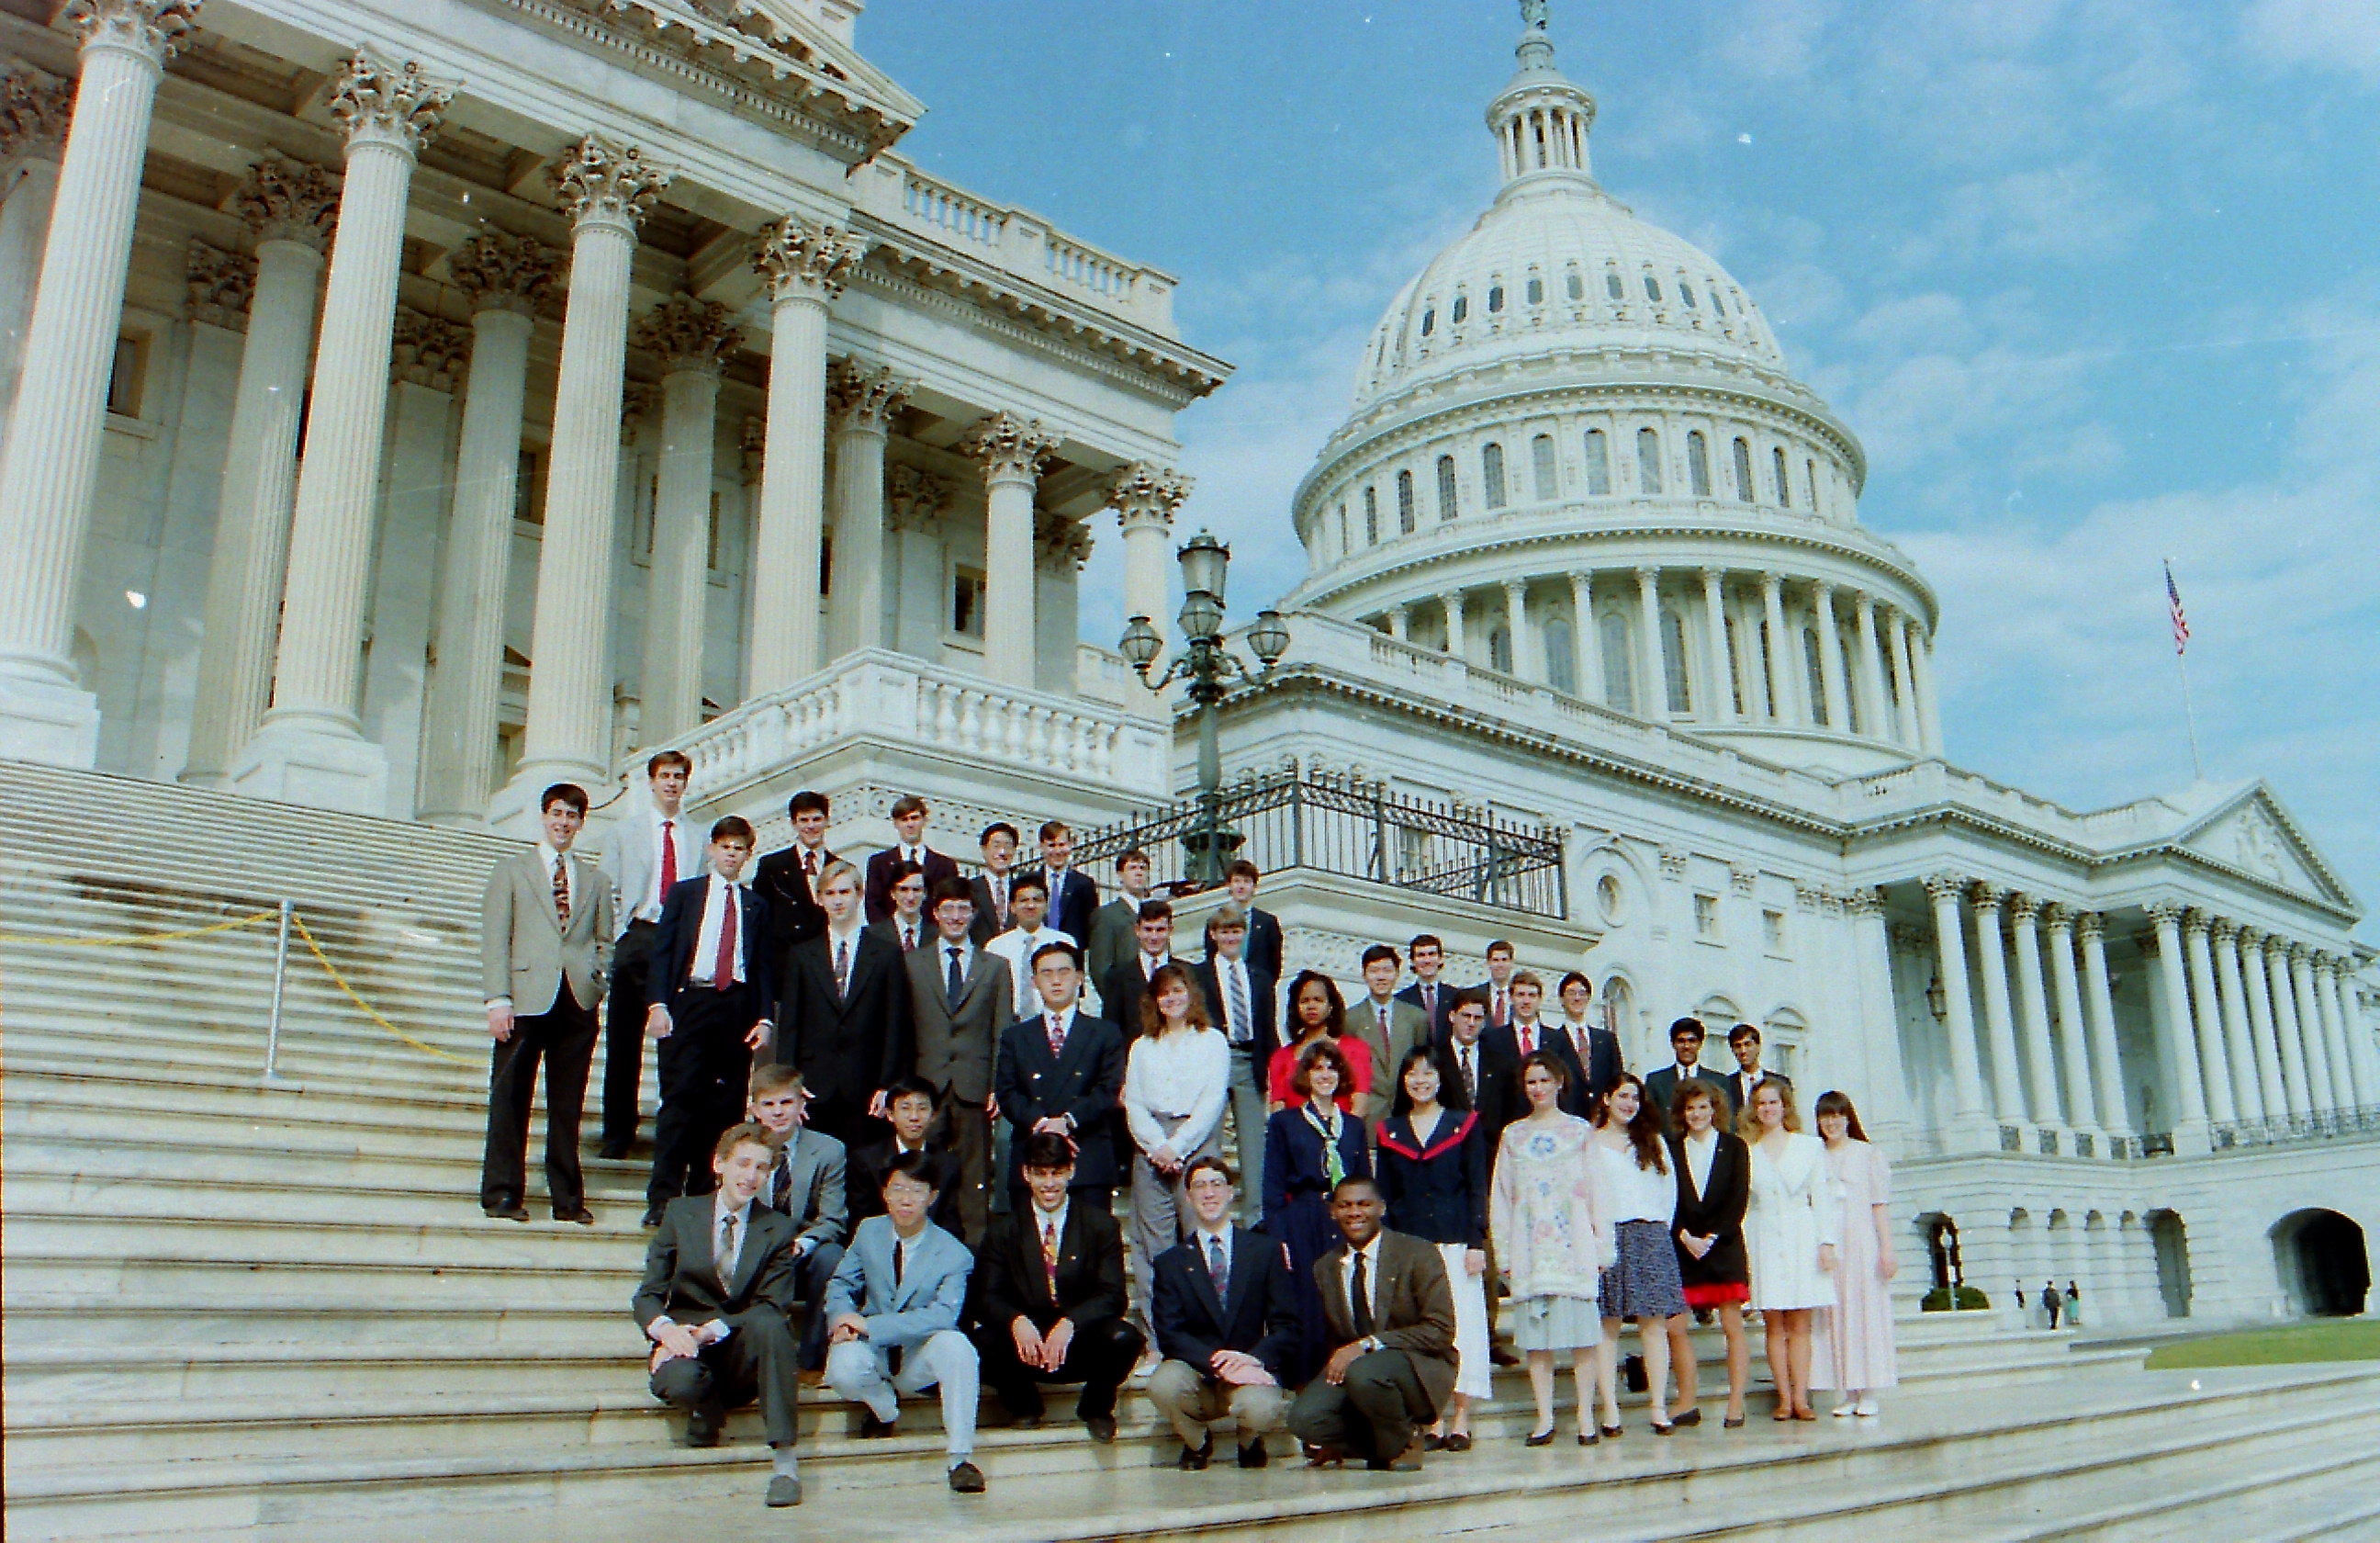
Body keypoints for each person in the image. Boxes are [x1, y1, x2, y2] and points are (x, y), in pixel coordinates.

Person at [633, 1122, 807, 1507]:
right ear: (719, 1164)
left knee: (773, 1324)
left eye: (761, 1167)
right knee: (680, 1381)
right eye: (743, 1164)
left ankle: (784, 1462)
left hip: (740, 1347)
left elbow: (772, 1304)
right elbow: (648, 1294)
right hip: (685, 1346)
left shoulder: (778, 1229)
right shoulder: (681, 1213)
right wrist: (666, 1332)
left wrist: (709, 1331)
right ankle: (706, 1413)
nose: (751, 1176)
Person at [479, 783, 614, 1223]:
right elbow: (496, 939)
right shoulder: (512, 871)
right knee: (510, 1098)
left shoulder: (595, 880)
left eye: (572, 815)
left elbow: (605, 939)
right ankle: (502, 1192)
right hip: (524, 999)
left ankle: (567, 1198)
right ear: (544, 817)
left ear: (581, 823)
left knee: (567, 1104)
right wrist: (498, 999)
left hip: (576, 1000)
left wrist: (596, 981)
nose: (563, 822)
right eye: (557, 813)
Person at [824, 1151, 985, 1492]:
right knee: (841, 1369)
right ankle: (885, 1411)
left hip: (917, 1352)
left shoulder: (954, 1253)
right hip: (874, 1350)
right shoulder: (869, 1231)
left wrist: (872, 1326)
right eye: (898, 1189)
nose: (906, 1200)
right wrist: (842, 1318)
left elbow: (943, 1316)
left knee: (958, 1347)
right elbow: (841, 1283)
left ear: (932, 1196)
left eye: (916, 1191)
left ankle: (960, 1458)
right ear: (885, 1193)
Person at [642, 817, 776, 1226]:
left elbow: (763, 965)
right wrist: (658, 1004)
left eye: (739, 848)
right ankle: (663, 1198)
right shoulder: (686, 893)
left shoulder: (756, 905)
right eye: (725, 846)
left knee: (724, 1107)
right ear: (712, 850)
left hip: (736, 1007)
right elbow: (664, 951)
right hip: (692, 1000)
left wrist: (764, 1018)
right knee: (680, 1100)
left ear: (748, 855)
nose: (731, 854)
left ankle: (705, 1196)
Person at [970, 1132, 1144, 1440]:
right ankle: (1024, 1406)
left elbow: (1113, 1295)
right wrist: (1016, 1321)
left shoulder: (1100, 1225)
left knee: (1125, 1338)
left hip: (1078, 1341)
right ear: (1026, 1174)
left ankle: (1096, 1408)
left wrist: (1071, 1323)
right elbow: (985, 1297)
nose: (1049, 1184)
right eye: (1040, 1174)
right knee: (980, 1342)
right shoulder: (1003, 1230)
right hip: (1026, 1346)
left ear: (1071, 1171)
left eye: (1057, 1173)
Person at [1284, 1177, 1456, 1472]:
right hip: (1360, 1371)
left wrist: (1368, 1345)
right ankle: (1382, 1444)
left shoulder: (1417, 1253)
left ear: (1381, 1208)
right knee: (1304, 1420)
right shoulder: (1325, 1266)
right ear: (1332, 1212)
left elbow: (1440, 1330)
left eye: (1364, 1204)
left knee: (1364, 1372)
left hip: (1417, 1365)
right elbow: (1335, 1336)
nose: (1354, 1212)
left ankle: (1405, 1441)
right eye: (1345, 1205)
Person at [1146, 1156, 1299, 1470]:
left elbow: (1287, 1325)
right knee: (1162, 1384)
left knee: (1261, 1407)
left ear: (1231, 1192)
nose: (1209, 1193)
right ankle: (1197, 1443)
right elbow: (1170, 1333)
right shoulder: (1171, 1262)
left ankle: (1249, 1440)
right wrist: (1220, 1363)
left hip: (1248, 1369)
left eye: (1216, 1184)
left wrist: (1252, 1360)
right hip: (1199, 1372)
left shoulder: (1264, 1251)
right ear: (1188, 1197)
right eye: (1199, 1186)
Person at [1490, 1050, 1611, 1446]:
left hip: (1573, 1246)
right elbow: (1501, 1197)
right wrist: (1504, 1252)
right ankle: (1544, 1417)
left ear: (1559, 1082)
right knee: (1536, 1342)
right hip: (1530, 1248)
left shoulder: (1580, 1132)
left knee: (1582, 1338)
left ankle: (1585, 1415)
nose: (1538, 1088)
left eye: (1544, 1080)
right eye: (1531, 1082)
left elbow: (1598, 1192)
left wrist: (1602, 1245)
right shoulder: (1513, 1136)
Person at [1374, 1047, 1490, 1450]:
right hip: (1410, 1248)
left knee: (1464, 1330)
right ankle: (1432, 1419)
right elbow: (1386, 1196)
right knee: (1421, 1332)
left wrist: (1477, 1241)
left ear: (1441, 1079)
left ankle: (1461, 1419)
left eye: (1428, 1073)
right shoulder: (1390, 1131)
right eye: (1412, 1074)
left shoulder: (1464, 1124)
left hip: (1456, 1243)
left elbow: (1476, 1186)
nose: (1420, 1081)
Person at [601, 749, 704, 1157]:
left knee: (675, 1041)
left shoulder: (698, 836)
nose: (671, 783)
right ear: (652, 781)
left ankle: (672, 1133)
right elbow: (608, 888)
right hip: (638, 934)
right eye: (665, 776)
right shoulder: (624, 831)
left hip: (678, 942)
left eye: (678, 776)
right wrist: (618, 936)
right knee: (623, 1040)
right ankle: (617, 1132)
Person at [1122, 962, 1229, 1341]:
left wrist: (1178, 1146)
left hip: (1197, 1142)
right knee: (1153, 1248)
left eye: (1178, 990)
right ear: (1155, 1000)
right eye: (1164, 992)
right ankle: (1159, 1341)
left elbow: (1213, 1100)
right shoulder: (1142, 1046)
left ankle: (1209, 1337)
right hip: (1151, 1146)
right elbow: (1134, 1103)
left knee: (1203, 1241)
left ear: (1191, 994)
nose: (1172, 998)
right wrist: (1158, 1147)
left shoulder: (1212, 1041)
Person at [777, 860, 907, 1147]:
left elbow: (895, 1024)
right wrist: (789, 1087)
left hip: (866, 1086)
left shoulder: (886, 954)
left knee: (863, 1167)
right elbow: (790, 1026)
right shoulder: (802, 955)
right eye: (830, 893)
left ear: (859, 894)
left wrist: (887, 1085)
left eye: (845, 892)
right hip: (813, 1087)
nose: (838, 900)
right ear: (819, 898)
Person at [906, 877, 1009, 1242]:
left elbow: (1001, 1030)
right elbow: (903, 1027)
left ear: (974, 913)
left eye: (963, 908)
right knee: (923, 1171)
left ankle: (975, 1254)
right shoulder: (913, 963)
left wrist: (996, 1084)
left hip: (973, 1086)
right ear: (935, 913)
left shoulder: (994, 967)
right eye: (947, 908)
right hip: (927, 1086)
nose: (955, 916)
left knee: (974, 1178)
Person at [1263, 1039, 1372, 1385]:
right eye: (1317, 1068)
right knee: (1308, 1301)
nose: (1325, 1075)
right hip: (1303, 1217)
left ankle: (1347, 1378)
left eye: (1332, 1068)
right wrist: (1278, 1235)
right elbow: (1273, 1183)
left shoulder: (1353, 1126)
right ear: (1306, 1076)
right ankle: (1306, 1384)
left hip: (1346, 1218)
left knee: (1346, 1297)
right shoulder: (1285, 1122)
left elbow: (1365, 1181)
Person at [993, 940, 1126, 1206]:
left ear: (1079, 978)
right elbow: (1007, 1092)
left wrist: (1067, 1121)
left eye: (1064, 972)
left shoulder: (1105, 1033)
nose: (1056, 981)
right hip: (1032, 1156)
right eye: (1047, 973)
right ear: (1034, 982)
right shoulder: (1015, 1037)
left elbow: (1108, 1089)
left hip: (1088, 1157)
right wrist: (1042, 1124)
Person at [1590, 1073, 1685, 1436]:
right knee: (1608, 1324)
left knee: (1654, 1325)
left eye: (1634, 1098)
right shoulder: (1590, 1143)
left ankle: (1658, 1406)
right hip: (1609, 1235)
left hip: (1650, 1235)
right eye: (1622, 1096)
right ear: (1606, 1099)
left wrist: (1658, 1230)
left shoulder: (1652, 1142)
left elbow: (1668, 1192)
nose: (1629, 1104)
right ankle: (1610, 1409)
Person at [1741, 1079, 1838, 1421]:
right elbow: (1745, 1205)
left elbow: (1821, 1198)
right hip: (1764, 1235)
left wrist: (1826, 1242)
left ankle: (1801, 1398)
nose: (1767, 1109)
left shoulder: (1808, 1147)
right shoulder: (1748, 1150)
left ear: (1785, 1106)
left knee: (1800, 1325)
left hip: (1801, 1235)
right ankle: (1783, 1398)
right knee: (1774, 1325)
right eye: (1761, 1103)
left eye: (1773, 1102)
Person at [746, 1064, 847, 1372]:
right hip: (754, 1247)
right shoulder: (742, 1148)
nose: (778, 1112)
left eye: (786, 1102)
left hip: (802, 1250)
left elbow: (833, 1220)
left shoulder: (829, 1150)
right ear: (754, 1110)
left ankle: (810, 1360)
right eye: (768, 1104)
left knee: (832, 1256)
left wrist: (803, 1244)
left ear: (802, 1104)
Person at [1665, 1079, 1751, 1428]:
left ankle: (1735, 1403)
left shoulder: (1735, 1147)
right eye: (1690, 1108)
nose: (1697, 1114)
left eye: (1703, 1107)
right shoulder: (1671, 1150)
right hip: (1684, 1247)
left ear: (1715, 1109)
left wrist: (1712, 1237)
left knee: (1732, 1325)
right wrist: (1685, 1236)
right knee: (1675, 1326)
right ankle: (1687, 1401)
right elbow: (1666, 1197)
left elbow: (1738, 1198)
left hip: (1723, 1246)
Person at [1812, 1090, 1897, 1418]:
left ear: (1848, 1118)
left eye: (1837, 1116)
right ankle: (1846, 1390)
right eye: (1825, 1117)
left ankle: (1868, 1390)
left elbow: (1879, 1206)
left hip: (1862, 1243)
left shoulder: (1868, 1154)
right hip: (1829, 1244)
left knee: (1865, 1315)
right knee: (1834, 1317)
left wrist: (1886, 1248)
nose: (1831, 1123)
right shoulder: (1815, 1155)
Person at [1192, 905, 1277, 1222]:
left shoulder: (1259, 977)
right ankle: (1208, 1217)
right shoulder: (1198, 976)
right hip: (1213, 1061)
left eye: (1236, 931)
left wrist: (1271, 1073)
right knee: (1207, 1142)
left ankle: (1256, 1220)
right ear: (1213, 935)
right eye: (1224, 931)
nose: (1230, 937)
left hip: (1249, 1061)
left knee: (1254, 1148)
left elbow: (1268, 1027)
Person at [848, 1076, 964, 1235]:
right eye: (905, 1108)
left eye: (922, 1108)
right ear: (890, 1114)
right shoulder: (867, 1160)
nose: (914, 1117)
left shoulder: (948, 1164)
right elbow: (860, 1221)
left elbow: (950, 1223)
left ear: (934, 1115)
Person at [1268, 970, 1375, 1118]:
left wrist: (1344, 1130)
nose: (1311, 1006)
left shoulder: (1355, 1049)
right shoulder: (1281, 1056)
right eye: (1304, 1001)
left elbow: (1360, 1102)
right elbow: (1278, 1109)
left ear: (1331, 1006)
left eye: (1318, 1000)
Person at [1352, 945, 1431, 1132]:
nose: (1381, 977)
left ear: (1397, 974)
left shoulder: (1416, 1017)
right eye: (1374, 971)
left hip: (1409, 1112)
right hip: (1368, 1116)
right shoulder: (1350, 1019)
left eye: (1387, 970)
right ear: (1364, 975)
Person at [752, 789, 836, 962]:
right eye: (803, 820)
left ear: (827, 821)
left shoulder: (839, 867)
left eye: (816, 819)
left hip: (825, 959)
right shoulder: (772, 865)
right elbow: (759, 918)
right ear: (793, 823)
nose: (810, 826)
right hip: (783, 960)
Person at [1495, 971, 1588, 1119]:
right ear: (1510, 998)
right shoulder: (1493, 1039)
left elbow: (1570, 1086)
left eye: (1532, 995)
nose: (1526, 1001)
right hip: (1508, 1123)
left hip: (1550, 1122)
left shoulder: (1558, 1039)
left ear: (1540, 999)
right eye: (1520, 995)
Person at [984, 873, 1076, 1022]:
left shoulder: (1064, 942)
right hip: (1009, 1022)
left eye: (1037, 900)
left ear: (1046, 905)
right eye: (1023, 900)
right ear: (1012, 907)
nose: (1031, 906)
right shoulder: (996, 946)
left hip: (1054, 1021)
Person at [862, 794, 960, 926]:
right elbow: (873, 905)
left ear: (924, 820)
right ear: (896, 824)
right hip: (890, 935)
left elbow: (951, 903)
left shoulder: (945, 865)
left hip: (933, 934)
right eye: (904, 819)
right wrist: (889, 933)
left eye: (914, 818)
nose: (910, 824)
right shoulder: (879, 863)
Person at [1098, 897, 1176, 1047]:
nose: (1154, 937)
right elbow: (1112, 1030)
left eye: (1160, 930)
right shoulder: (1117, 977)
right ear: (1137, 930)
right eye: (1148, 929)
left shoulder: (1189, 972)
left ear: (1170, 930)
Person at [1084, 847, 1155, 994]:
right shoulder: (1107, 915)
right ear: (1120, 875)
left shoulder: (1154, 912)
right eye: (1132, 868)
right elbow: (1100, 968)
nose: (1138, 873)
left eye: (1143, 868)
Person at [1645, 1018, 1733, 1134]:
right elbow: (1648, 1121)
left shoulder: (1718, 1081)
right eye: (1681, 1041)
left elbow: (1726, 1122)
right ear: (1673, 1044)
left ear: (1700, 1044)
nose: (1686, 1046)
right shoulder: (1656, 1081)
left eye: (1692, 1041)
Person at [1553, 972, 1623, 1103]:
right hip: (1568, 1110)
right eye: (1571, 993)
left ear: (1588, 998)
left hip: (1602, 1109)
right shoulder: (1553, 1040)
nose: (1577, 998)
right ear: (1561, 999)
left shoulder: (1607, 1040)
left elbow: (1617, 1079)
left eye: (1582, 993)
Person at [1027, 820, 1098, 946]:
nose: (1058, 851)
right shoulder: (1030, 882)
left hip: (1070, 952)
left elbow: (1091, 928)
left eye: (1062, 845)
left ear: (1070, 845)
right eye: (1051, 845)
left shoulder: (1084, 884)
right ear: (1041, 847)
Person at [1221, 859, 1283, 983]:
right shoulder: (1218, 920)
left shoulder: (1267, 922)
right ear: (1229, 885)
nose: (1241, 886)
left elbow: (1274, 963)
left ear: (1254, 887)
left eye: (1246, 881)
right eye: (1237, 881)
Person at [967, 821, 1021, 946]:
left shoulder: (1021, 889)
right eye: (996, 846)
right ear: (984, 849)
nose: (1002, 852)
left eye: (1008, 846)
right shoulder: (969, 889)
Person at [1397, 933, 1454, 1045]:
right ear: (1412, 961)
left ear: (1440, 959)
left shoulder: (1456, 997)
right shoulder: (1401, 1000)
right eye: (1421, 955)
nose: (1427, 960)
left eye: (1431, 954)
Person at [1723, 1022, 1791, 1116]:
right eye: (1738, 1046)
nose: (1743, 1051)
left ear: (1758, 1046)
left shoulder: (1781, 1082)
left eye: (1747, 1044)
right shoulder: (1725, 1084)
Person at [865, 861, 930, 957]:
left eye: (916, 890)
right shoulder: (872, 935)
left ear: (925, 893)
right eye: (903, 889)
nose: (910, 897)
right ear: (893, 893)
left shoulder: (937, 936)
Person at [1476, 940, 1519, 1029]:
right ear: (1488, 963)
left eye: (1504, 960)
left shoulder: (1521, 996)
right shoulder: (1476, 994)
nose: (1500, 965)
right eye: (1495, 960)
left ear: (1512, 963)